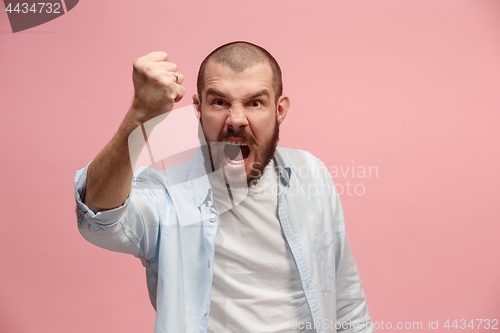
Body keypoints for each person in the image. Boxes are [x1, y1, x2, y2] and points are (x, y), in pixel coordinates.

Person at [74, 41, 374, 333]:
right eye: (219, 102)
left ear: (279, 110)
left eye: (255, 103)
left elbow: (348, 305)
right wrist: (141, 114)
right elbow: (98, 217)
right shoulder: (166, 193)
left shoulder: (311, 174)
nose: (236, 120)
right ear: (198, 108)